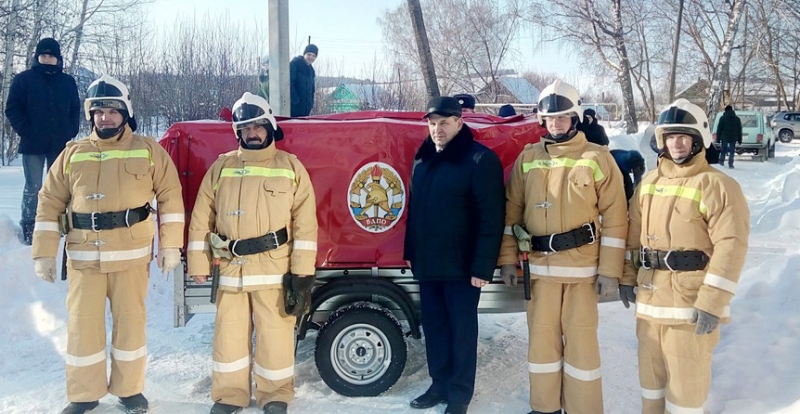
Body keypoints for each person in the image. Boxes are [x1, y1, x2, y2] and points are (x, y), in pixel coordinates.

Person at [32, 74, 185, 414]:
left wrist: (171, 245)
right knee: (82, 327)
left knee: (130, 326)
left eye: (113, 111)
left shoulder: (148, 151)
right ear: (90, 115)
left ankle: (130, 390)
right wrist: (44, 252)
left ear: (126, 113)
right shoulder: (73, 154)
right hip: (84, 258)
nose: (105, 117)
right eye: (98, 111)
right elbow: (49, 202)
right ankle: (83, 395)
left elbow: (171, 198)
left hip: (131, 258)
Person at [498, 79, 628, 414]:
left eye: (563, 118)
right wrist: (508, 258)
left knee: (581, 349)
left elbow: (616, 217)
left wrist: (611, 271)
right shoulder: (528, 159)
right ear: (542, 121)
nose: (556, 124)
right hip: (539, 272)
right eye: (550, 119)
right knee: (541, 347)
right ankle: (544, 408)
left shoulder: (597, 158)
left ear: (574, 118)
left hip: (582, 273)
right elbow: (512, 210)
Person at [187, 92, 318, 414]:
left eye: (258, 126)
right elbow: (201, 217)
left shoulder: (290, 168)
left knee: (275, 338)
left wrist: (302, 273)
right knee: (228, 339)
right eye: (245, 128)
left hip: (274, 269)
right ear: (238, 133)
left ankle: (275, 396)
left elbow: (305, 223)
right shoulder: (221, 168)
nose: (252, 133)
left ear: (270, 127)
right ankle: (230, 396)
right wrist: (198, 262)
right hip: (231, 269)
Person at [620, 98, 749, 414]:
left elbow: (731, 247)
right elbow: (631, 234)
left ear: (698, 140)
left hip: (690, 306)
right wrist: (625, 276)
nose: (675, 143)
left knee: (685, 393)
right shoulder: (649, 182)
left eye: (683, 136)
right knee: (651, 387)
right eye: (670, 136)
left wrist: (712, 302)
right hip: (650, 303)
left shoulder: (718, 186)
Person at [403, 96, 505, 414]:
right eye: (432, 124)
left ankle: (459, 394)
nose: (437, 129)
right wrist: (411, 252)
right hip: (429, 264)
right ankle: (439, 385)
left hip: (463, 268)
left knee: (462, 331)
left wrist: (482, 266)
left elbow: (492, 217)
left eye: (444, 123)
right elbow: (415, 211)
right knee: (435, 329)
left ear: (460, 123)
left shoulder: (479, 160)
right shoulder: (423, 162)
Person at [5, 37, 80, 245]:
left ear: (58, 59)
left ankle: (61, 223)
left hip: (60, 144)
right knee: (34, 186)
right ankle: (30, 225)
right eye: (43, 55)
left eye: (51, 56)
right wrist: (25, 130)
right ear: (37, 57)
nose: (47, 59)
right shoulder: (24, 80)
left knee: (61, 187)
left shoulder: (67, 82)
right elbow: (12, 108)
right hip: (33, 144)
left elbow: (76, 109)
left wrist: (70, 131)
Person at [289, 44, 317, 117]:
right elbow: (289, 84)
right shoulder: (295, 64)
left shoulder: (311, 70)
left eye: (314, 56)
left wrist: (311, 103)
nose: (311, 57)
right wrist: (296, 101)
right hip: (294, 108)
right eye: (309, 54)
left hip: (306, 109)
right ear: (304, 54)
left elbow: (312, 89)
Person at [716, 104, 742, 169]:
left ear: (725, 110)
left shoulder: (722, 118)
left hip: (724, 137)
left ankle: (721, 161)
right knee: (732, 151)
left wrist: (718, 138)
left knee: (723, 150)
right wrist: (739, 139)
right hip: (733, 137)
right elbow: (739, 129)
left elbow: (719, 128)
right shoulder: (737, 119)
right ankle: (731, 164)